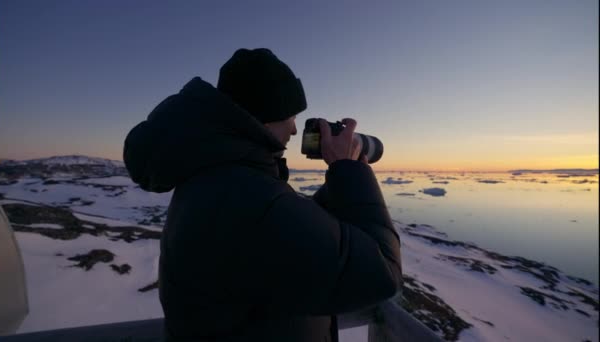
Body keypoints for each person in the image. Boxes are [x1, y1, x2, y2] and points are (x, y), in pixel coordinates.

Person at [123, 48, 402, 342]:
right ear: (265, 118)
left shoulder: (216, 179)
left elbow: (286, 236)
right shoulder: (247, 199)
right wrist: (349, 171)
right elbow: (382, 273)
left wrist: (338, 185)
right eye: (290, 116)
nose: (295, 130)